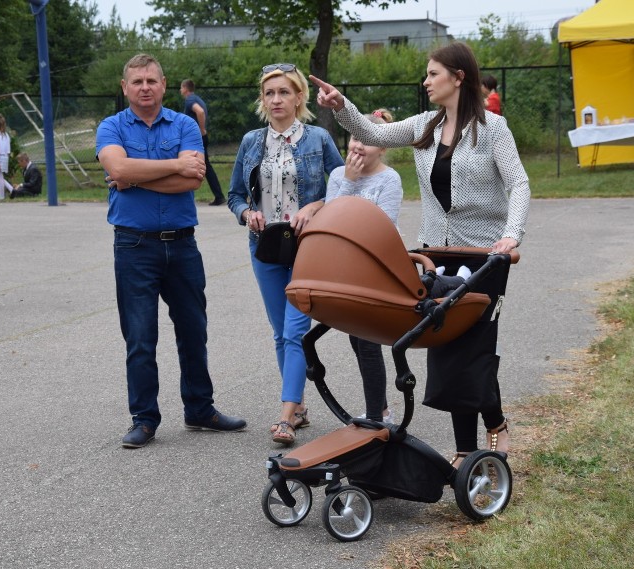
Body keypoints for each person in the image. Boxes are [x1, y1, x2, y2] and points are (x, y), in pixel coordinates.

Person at [312, 41, 530, 465]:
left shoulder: (492, 129)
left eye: (433, 73)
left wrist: (511, 235)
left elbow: (518, 184)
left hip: (486, 254)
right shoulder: (425, 126)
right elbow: (373, 133)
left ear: (458, 77)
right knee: (449, 346)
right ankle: (474, 444)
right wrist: (341, 105)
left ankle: (484, 436)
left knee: (474, 347)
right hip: (439, 253)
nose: (425, 81)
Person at [96, 53, 246, 449]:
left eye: (151, 80)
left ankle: (200, 409)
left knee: (194, 331)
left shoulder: (183, 124)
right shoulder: (110, 126)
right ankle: (144, 419)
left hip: (182, 245)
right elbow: (119, 169)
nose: (145, 87)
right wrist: (167, 166)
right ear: (125, 88)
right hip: (134, 245)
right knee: (140, 338)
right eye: (137, 82)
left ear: (164, 85)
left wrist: (133, 175)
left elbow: (193, 180)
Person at [227, 63, 344, 446]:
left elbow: (344, 186)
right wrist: (247, 213)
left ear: (299, 97)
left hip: (309, 246)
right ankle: (300, 407)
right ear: (263, 100)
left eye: (284, 92)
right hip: (265, 246)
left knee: (296, 331)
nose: (276, 99)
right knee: (280, 334)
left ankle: (286, 416)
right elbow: (234, 196)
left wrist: (317, 206)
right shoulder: (251, 142)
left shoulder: (318, 139)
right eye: (270, 93)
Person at [325, 108, 403, 424]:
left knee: (367, 341)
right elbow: (330, 221)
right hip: (346, 270)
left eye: (368, 141)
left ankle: (375, 416)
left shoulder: (390, 179)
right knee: (357, 339)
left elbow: (384, 226)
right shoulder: (337, 176)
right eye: (356, 137)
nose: (358, 146)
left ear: (383, 147)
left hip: (375, 269)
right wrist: (349, 182)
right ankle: (380, 408)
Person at [180, 79, 226, 206]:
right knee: (205, 166)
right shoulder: (197, 98)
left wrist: (201, 129)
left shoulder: (190, 100)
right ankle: (219, 195)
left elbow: (199, 112)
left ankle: (218, 195)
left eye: (181, 87)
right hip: (201, 137)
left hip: (197, 137)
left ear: (185, 88)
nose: (180, 90)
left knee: (200, 166)